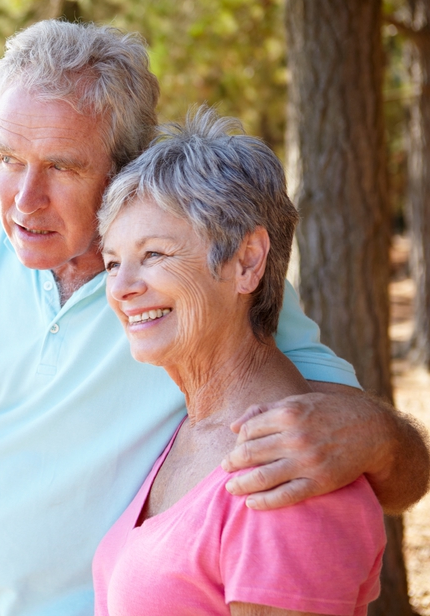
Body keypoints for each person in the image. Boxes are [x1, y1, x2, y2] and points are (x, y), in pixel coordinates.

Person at [0, 20, 428, 616]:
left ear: (125, 166)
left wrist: (372, 433)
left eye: (60, 167)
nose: (22, 201)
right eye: (6, 159)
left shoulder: (196, 292)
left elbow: (381, 463)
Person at [92, 107, 386, 616]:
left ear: (247, 261)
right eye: (113, 262)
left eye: (155, 254)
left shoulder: (287, 475)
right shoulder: (194, 430)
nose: (120, 288)